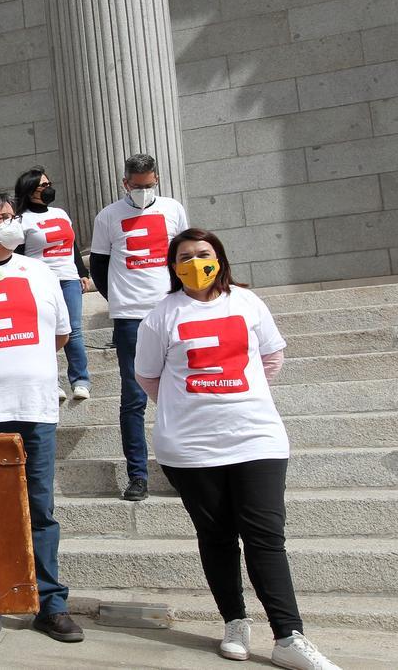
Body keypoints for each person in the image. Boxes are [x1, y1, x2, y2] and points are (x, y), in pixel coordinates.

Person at [134, 229, 340, 670]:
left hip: (256, 438)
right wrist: (190, 406)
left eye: (203, 254)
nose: (194, 263)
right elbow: (148, 377)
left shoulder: (248, 303)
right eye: (184, 257)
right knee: (217, 538)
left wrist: (236, 399)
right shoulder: (161, 316)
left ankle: (288, 636)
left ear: (219, 258)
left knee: (266, 538)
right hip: (190, 448)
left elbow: (271, 359)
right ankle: (234, 621)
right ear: (173, 266)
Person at [0, 191, 84, 645]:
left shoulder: (40, 272)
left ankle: (50, 605)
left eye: (15, 216)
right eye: (4, 218)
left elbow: (60, 335)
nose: (15, 223)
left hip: (34, 408)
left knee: (40, 508)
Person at [89, 153, 189, 502]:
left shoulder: (173, 209)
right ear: (125, 183)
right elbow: (99, 266)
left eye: (148, 185)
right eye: (136, 186)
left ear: (156, 180)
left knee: (180, 388)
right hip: (130, 316)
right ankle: (138, 475)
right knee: (133, 397)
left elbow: (182, 256)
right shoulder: (109, 216)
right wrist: (118, 299)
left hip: (170, 309)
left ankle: (184, 468)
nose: (142, 192)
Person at [14, 166, 92, 400]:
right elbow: (18, 254)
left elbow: (73, 247)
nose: (49, 189)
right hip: (40, 281)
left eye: (49, 184)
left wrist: (82, 273)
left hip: (68, 279)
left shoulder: (60, 213)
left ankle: (81, 380)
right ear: (30, 191)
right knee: (48, 332)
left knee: (74, 330)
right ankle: (52, 381)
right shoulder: (22, 220)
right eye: (43, 186)